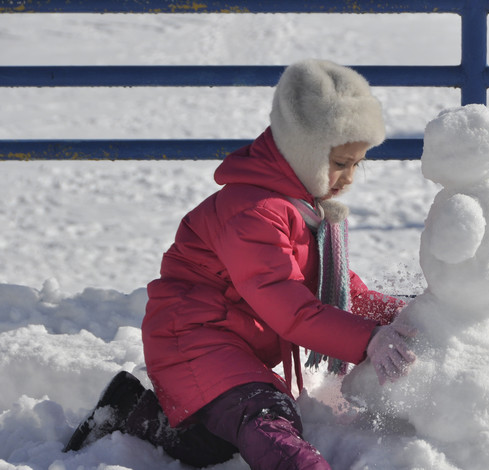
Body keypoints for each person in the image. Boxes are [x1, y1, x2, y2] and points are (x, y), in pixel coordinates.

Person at [63, 59, 417, 469]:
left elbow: (339, 291)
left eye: (358, 163)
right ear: (304, 151)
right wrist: (368, 339)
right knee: (263, 415)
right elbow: (290, 308)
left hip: (231, 340)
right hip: (193, 337)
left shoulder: (304, 210)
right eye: (340, 163)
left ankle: (135, 414)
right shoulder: (253, 213)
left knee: (218, 440)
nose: (350, 177)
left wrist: (406, 318)